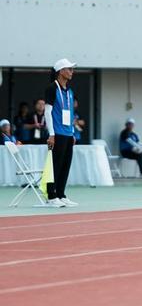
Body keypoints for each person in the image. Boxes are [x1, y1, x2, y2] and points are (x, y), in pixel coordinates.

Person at [44, 58, 79, 208]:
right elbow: (47, 112)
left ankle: (61, 194)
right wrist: (51, 134)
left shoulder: (70, 91)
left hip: (67, 133)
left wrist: (72, 133)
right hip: (57, 133)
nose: (72, 72)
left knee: (66, 165)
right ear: (60, 71)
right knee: (55, 165)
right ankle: (51, 196)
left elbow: (70, 114)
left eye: (72, 69)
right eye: (69, 69)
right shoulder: (52, 88)